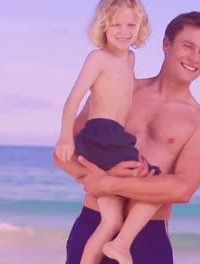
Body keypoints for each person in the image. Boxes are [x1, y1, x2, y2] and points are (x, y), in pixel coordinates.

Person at [53, 10, 200, 264]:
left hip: (147, 238)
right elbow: (62, 155)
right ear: (166, 44)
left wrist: (109, 183)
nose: (194, 57)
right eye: (187, 46)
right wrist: (93, 179)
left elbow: (183, 189)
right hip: (93, 223)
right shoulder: (116, 90)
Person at [54, 1, 161, 263]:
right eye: (116, 25)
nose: (123, 31)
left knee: (111, 219)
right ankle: (122, 245)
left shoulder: (131, 58)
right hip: (101, 136)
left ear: (140, 28)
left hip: (115, 138)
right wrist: (65, 136)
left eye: (130, 25)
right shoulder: (97, 58)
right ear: (103, 27)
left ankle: (104, 251)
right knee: (156, 183)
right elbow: (73, 99)